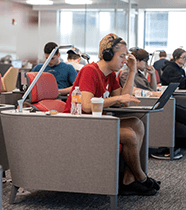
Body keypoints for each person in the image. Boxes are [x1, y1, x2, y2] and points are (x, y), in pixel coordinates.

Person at [63, 33, 160, 195]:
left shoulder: (111, 76)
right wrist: (119, 97)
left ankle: (129, 179)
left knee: (137, 123)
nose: (124, 60)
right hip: (78, 125)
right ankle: (141, 177)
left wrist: (132, 71)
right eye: (121, 56)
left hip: (97, 124)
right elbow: (86, 105)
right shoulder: (90, 71)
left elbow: (124, 101)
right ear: (107, 55)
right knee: (129, 135)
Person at [119, 48, 183, 160]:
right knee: (176, 111)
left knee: (178, 109)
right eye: (145, 61)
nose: (147, 64)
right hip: (143, 103)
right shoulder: (126, 74)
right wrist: (152, 94)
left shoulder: (140, 74)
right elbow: (132, 91)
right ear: (137, 61)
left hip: (150, 99)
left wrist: (153, 74)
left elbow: (152, 88)